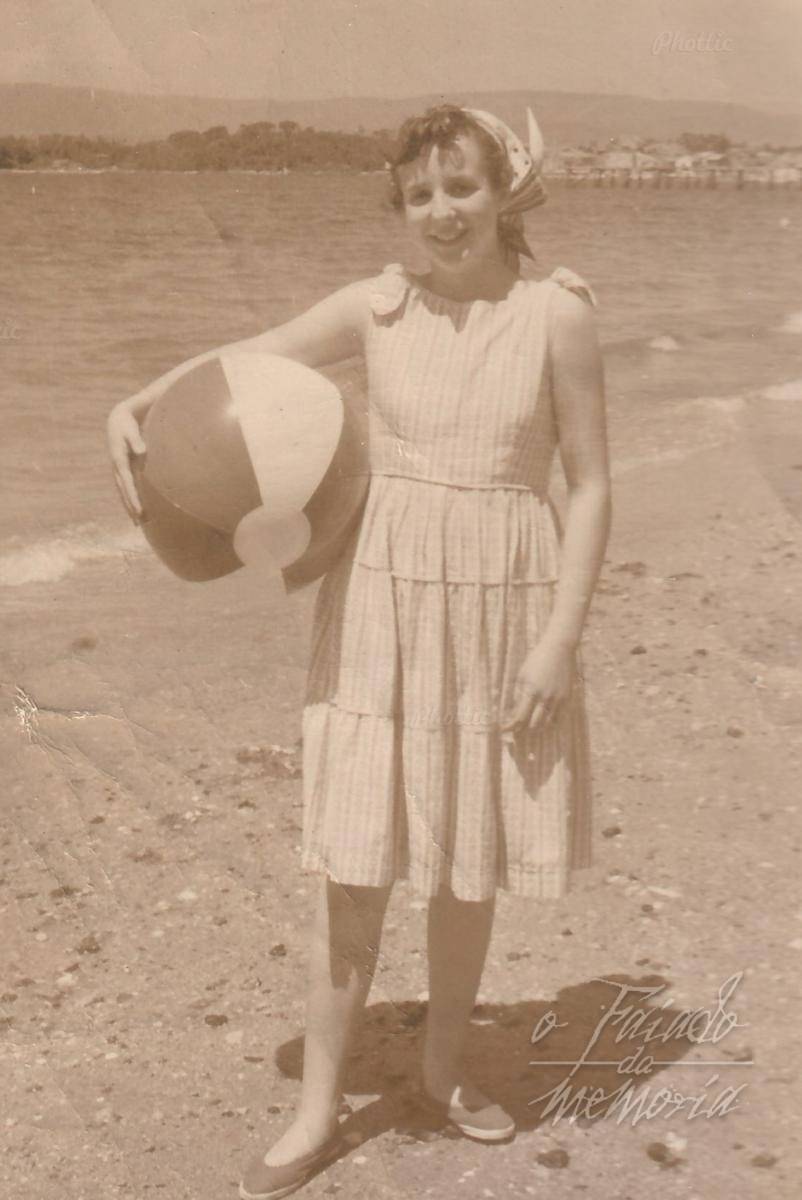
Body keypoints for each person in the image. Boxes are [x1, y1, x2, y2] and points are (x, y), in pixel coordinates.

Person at [107, 102, 611, 1200]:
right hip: (380, 597)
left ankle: (440, 1071)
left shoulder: (557, 314)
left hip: (504, 608)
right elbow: (242, 361)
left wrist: (559, 641)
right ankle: (317, 1110)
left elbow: (590, 486)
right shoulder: (376, 307)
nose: (442, 212)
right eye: (419, 194)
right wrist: (137, 403)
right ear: (399, 206)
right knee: (354, 861)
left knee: (466, 853)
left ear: (506, 191)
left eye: (462, 186)